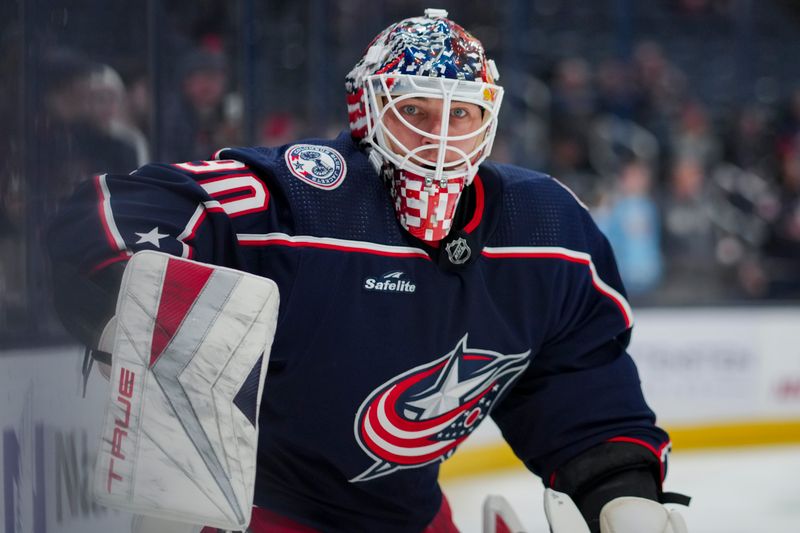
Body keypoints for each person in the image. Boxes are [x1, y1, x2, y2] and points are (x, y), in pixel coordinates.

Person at [47, 9, 687, 533]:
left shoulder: (549, 229)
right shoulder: (301, 193)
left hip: (409, 518)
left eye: (460, 114)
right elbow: (111, 213)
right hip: (253, 513)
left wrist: (619, 487)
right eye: (415, 111)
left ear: (488, 121)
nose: (440, 139)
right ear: (367, 112)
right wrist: (126, 294)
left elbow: (577, 371)